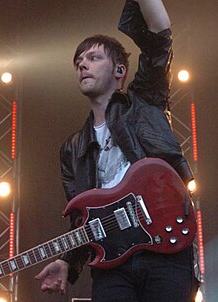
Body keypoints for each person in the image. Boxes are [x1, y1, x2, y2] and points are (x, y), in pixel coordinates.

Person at [35, 0, 199, 301]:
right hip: (113, 265)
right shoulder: (72, 149)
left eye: (94, 57)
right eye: (78, 61)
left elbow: (160, 34)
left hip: (164, 248)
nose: (82, 64)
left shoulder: (144, 101)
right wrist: (66, 262)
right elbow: (82, 219)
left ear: (120, 70)